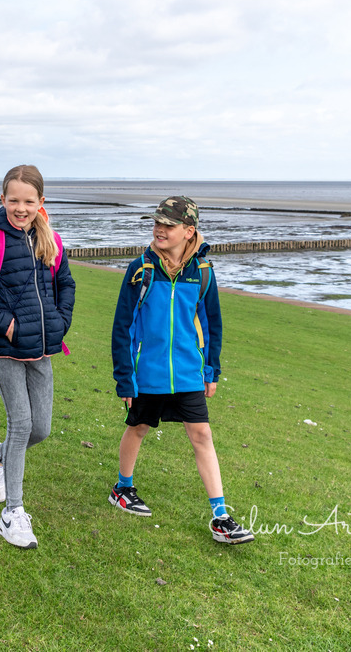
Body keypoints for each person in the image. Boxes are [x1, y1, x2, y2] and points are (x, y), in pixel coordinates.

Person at [109, 196, 254, 544]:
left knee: (202, 435)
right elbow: (122, 326)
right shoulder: (141, 270)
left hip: (189, 371)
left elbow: (212, 323)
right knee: (138, 427)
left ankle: (220, 516)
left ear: (189, 231)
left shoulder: (202, 273)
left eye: (168, 225)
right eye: (157, 223)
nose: (159, 229)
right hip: (148, 371)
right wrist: (125, 377)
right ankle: (122, 488)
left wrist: (211, 370)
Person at [0, 164, 75, 550]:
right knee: (21, 424)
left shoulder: (51, 239)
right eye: (13, 200)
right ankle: (13, 513)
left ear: (41, 201)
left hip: (43, 349)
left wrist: (60, 321)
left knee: (41, 429)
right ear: (2, 199)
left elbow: (66, 284)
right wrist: (4, 323)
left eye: (28, 201)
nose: (20, 208)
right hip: (5, 349)